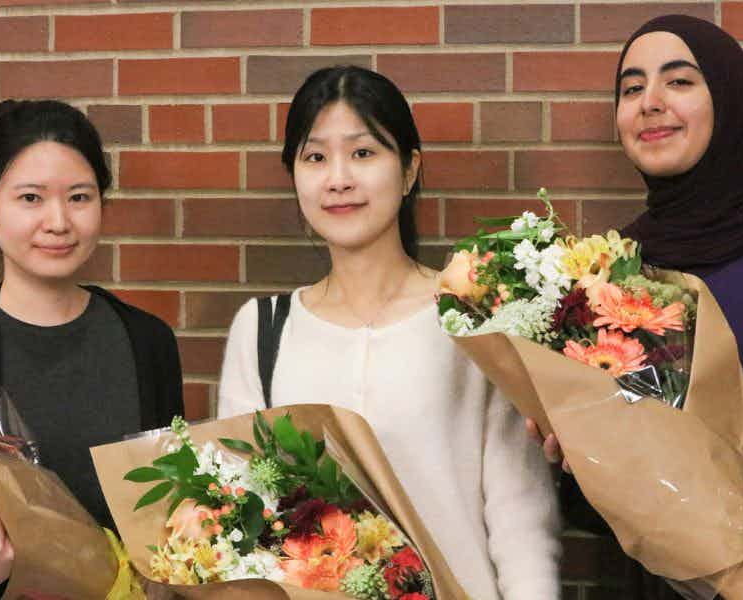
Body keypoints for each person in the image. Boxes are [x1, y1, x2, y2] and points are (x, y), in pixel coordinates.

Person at [532, 14, 743, 600]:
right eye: (632, 88)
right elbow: (615, 511)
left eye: (680, 81)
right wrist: (572, 458)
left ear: (731, 103)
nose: (650, 103)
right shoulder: (606, 281)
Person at [217, 65, 560, 599]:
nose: (338, 179)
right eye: (315, 157)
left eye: (363, 153)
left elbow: (521, 518)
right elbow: (239, 525)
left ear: (408, 170)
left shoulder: (471, 319)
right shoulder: (261, 331)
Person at [0, 99, 184, 600]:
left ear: (102, 206)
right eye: (30, 198)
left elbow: (170, 517)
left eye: (78, 197)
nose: (57, 221)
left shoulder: (148, 342)